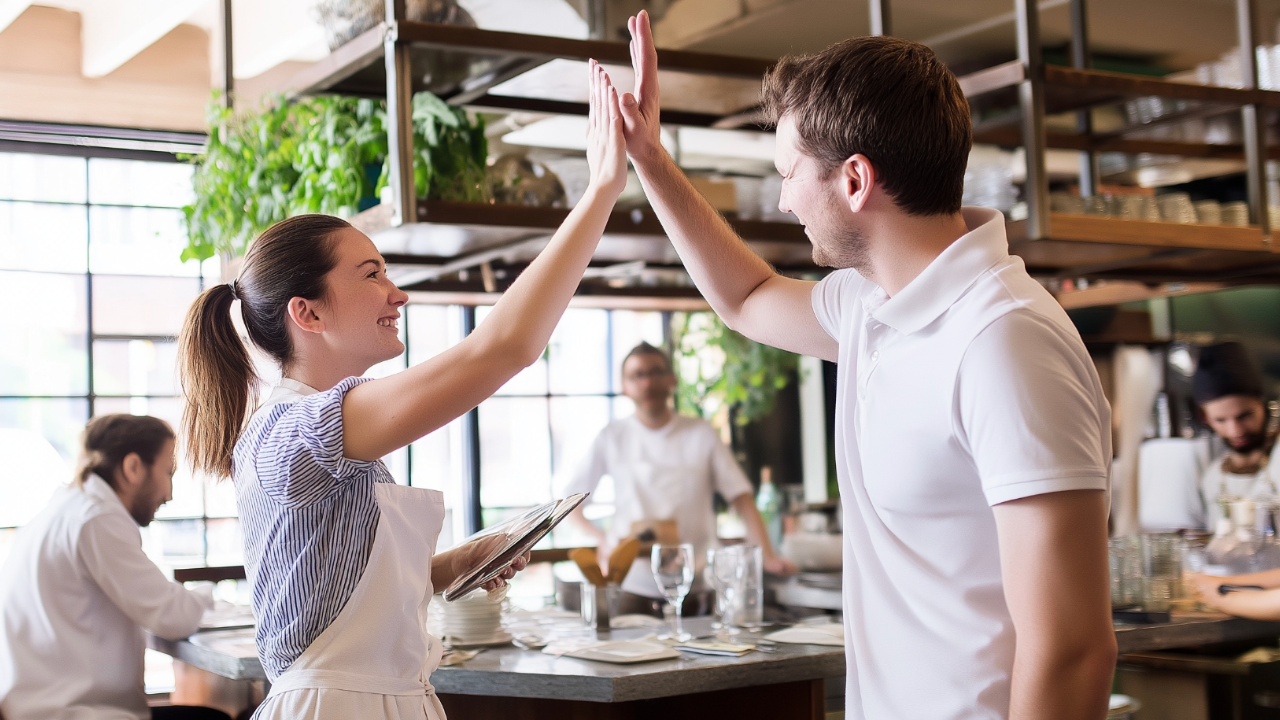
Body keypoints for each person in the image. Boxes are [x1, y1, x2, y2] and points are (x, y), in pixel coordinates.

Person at [603, 12, 1117, 719]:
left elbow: (1073, 649)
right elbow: (745, 299)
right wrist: (651, 159)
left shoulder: (1004, 340)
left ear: (854, 180)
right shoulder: (869, 306)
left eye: (788, 174)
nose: (783, 199)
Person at [175, 61, 627, 720]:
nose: (398, 294)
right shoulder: (293, 431)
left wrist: (458, 562)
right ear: (308, 312)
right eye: (371, 274)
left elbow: (343, 586)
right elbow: (503, 348)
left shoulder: (329, 432)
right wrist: (601, 189)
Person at [0, 414, 218, 720]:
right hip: (74, 713)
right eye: (168, 473)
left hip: (39, 707)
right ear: (133, 467)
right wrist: (208, 595)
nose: (169, 494)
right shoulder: (98, 518)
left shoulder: (66, 507)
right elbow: (172, 615)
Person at [564, 342, 796, 615]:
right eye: (637, 375)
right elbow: (570, 504)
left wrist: (768, 555)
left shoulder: (701, 433)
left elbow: (740, 497)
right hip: (631, 586)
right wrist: (602, 538)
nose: (647, 382)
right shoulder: (612, 437)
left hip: (696, 587)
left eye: (655, 372)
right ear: (624, 386)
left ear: (671, 379)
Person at [1194, 342, 1278, 530]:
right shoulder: (1213, 478)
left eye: (1245, 416)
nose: (1236, 431)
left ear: (1263, 404)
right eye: (1220, 420)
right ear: (1206, 418)